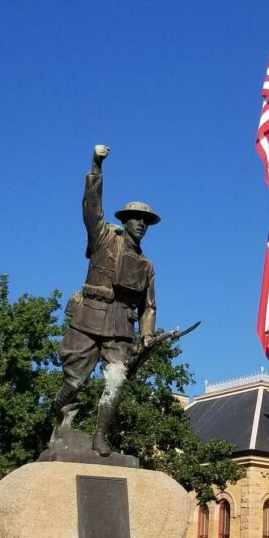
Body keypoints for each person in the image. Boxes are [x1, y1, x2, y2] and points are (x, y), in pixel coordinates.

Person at [52, 145, 158, 456]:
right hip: (89, 318)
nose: (140, 224)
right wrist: (96, 167)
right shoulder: (103, 238)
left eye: (145, 221)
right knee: (74, 381)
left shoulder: (147, 265)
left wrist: (148, 335)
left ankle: (100, 437)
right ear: (125, 220)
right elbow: (91, 207)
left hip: (120, 329)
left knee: (115, 384)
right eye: (136, 218)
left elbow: (148, 306)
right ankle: (59, 417)